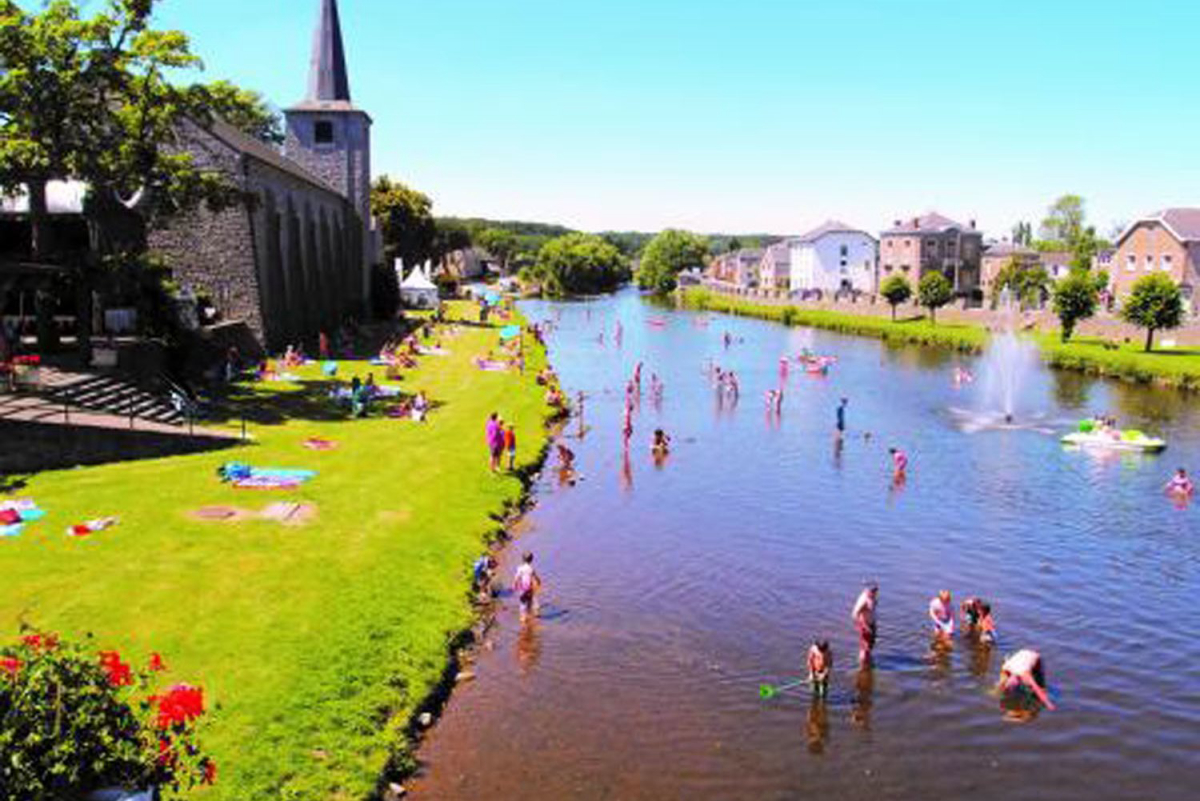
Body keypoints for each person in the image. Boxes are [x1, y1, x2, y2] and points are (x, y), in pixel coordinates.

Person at [852, 584, 878, 667]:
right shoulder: (864, 600)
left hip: (871, 623)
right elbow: (855, 614)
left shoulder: (871, 597)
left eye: (876, 590)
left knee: (870, 644)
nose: (875, 592)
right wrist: (864, 626)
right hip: (865, 624)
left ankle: (867, 660)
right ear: (868, 591)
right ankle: (863, 665)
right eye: (873, 590)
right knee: (865, 646)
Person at [513, 552, 542, 623]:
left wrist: (514, 585)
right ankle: (529, 614)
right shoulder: (531, 569)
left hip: (522, 589)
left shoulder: (520, 568)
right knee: (529, 602)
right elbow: (535, 577)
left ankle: (523, 617)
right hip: (529, 589)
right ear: (531, 560)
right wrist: (539, 582)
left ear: (522, 559)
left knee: (522, 603)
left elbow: (516, 577)